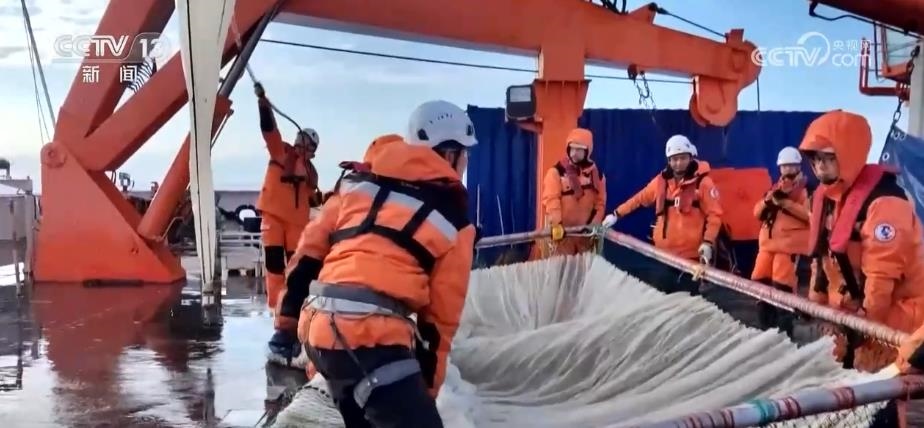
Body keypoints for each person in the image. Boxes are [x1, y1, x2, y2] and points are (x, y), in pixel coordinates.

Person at [286, 100, 477, 427]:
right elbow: (440, 320)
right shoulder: (453, 217)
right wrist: (426, 392)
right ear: (449, 154)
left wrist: (287, 324)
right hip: (371, 338)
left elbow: (308, 253)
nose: (465, 163)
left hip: (318, 329)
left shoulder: (358, 185)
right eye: (464, 154)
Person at [800, 109, 924, 372]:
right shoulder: (825, 201)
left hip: (894, 322)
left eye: (828, 157)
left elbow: (881, 279)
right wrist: (816, 306)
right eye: (815, 158)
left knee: (882, 386)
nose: (820, 165)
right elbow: (822, 262)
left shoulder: (886, 204)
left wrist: (864, 327)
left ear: (848, 154)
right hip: (850, 318)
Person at [267, 137, 400, 373]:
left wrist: (286, 326)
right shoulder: (417, 204)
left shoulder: (348, 193)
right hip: (391, 329)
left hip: (333, 323)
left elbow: (306, 259)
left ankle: (292, 344)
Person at [602, 135, 723, 293]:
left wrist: (707, 243)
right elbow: (638, 199)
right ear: (669, 160)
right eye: (674, 159)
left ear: (690, 157)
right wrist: (616, 214)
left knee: (688, 301)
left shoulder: (704, 184)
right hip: (663, 256)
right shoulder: (660, 182)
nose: (678, 163)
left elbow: (715, 216)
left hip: (691, 259)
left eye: (683, 158)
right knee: (662, 296)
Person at [253, 83, 319, 326]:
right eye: (302, 142)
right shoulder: (280, 152)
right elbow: (269, 130)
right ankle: (275, 308)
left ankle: (292, 308)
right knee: (273, 265)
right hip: (273, 217)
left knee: (295, 269)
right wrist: (263, 104)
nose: (303, 148)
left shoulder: (311, 174)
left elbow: (314, 199)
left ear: (313, 152)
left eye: (309, 146)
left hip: (297, 225)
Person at [750, 146, 810, 337]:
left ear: (799, 166)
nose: (788, 170)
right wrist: (769, 201)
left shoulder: (805, 191)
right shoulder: (775, 188)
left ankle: (785, 334)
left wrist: (786, 203)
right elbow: (756, 213)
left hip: (787, 248)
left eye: (791, 166)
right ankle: (765, 329)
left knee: (782, 286)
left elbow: (811, 216)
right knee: (760, 282)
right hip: (767, 246)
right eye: (784, 166)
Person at [541, 128, 606, 255]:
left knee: (585, 266)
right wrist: (557, 224)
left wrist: (593, 225)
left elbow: (600, 203)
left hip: (586, 237)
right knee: (561, 266)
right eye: (572, 149)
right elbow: (551, 200)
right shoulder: (556, 173)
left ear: (587, 151)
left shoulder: (597, 175)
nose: (574, 153)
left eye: (579, 149)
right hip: (562, 237)